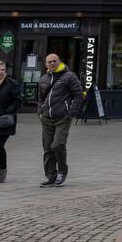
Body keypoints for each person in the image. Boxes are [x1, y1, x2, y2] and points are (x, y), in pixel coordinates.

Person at [37, 53, 85, 186]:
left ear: (59, 61)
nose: (52, 63)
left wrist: (71, 113)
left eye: (54, 61)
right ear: (46, 64)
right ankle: (50, 176)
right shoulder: (44, 78)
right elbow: (40, 98)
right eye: (49, 62)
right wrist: (40, 112)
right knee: (47, 148)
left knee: (57, 145)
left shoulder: (69, 76)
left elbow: (79, 95)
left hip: (62, 118)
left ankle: (62, 171)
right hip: (46, 118)